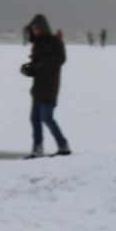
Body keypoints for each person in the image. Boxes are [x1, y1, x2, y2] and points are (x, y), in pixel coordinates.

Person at [22, 15, 70, 157]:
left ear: (43, 27)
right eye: (33, 29)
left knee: (46, 118)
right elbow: (36, 64)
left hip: (49, 86)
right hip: (37, 88)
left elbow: (60, 59)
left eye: (37, 28)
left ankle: (63, 146)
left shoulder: (55, 41)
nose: (35, 31)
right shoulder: (37, 44)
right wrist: (29, 69)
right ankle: (37, 149)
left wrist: (43, 63)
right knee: (35, 119)